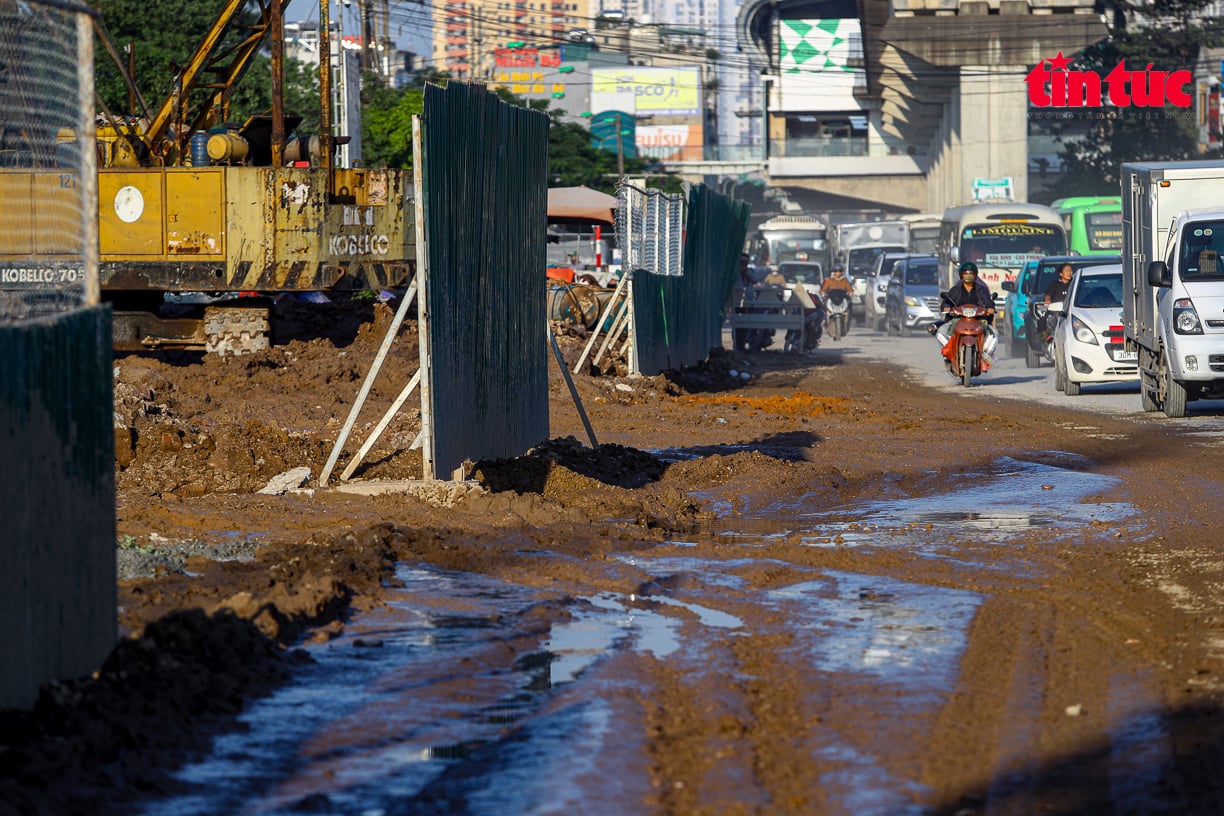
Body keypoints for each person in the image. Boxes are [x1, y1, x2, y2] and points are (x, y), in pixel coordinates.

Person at [927, 261, 995, 334]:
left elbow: (987, 301)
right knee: (947, 329)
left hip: (978, 318)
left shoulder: (981, 289)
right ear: (961, 275)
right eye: (966, 274)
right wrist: (946, 306)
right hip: (959, 318)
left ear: (975, 275)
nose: (968, 276)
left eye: (971, 274)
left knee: (989, 332)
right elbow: (948, 300)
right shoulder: (956, 289)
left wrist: (990, 308)